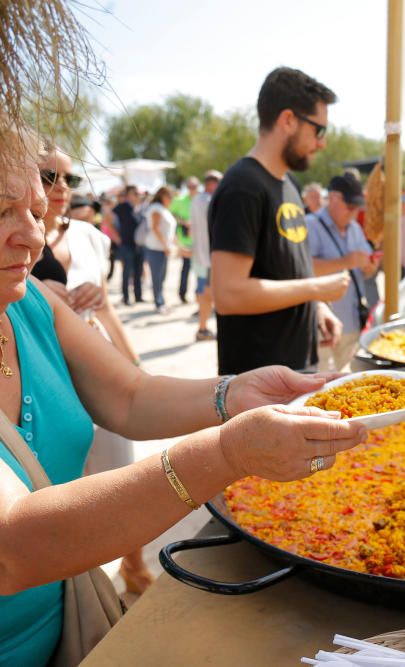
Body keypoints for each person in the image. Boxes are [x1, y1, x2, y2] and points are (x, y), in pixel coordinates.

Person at [0, 128, 370, 666]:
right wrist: (226, 453)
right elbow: (12, 547)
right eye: (3, 211)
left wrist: (233, 393)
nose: (32, 236)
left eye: (36, 212)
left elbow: (129, 395)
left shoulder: (29, 301)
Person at [30, 147, 156, 594]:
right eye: (49, 176)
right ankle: (73, 591)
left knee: (119, 470)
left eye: (70, 180)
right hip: (41, 370)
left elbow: (107, 306)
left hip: (94, 360)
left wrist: (131, 362)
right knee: (61, 486)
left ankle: (135, 568)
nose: (61, 188)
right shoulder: (17, 237)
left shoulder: (87, 235)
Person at [209, 67, 349, 374]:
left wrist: (316, 308)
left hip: (296, 368)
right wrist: (316, 289)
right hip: (256, 383)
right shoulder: (242, 187)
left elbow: (283, 269)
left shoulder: (288, 185)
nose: (322, 142)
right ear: (288, 120)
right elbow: (229, 294)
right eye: (319, 130)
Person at [306, 173, 380, 371]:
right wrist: (346, 262)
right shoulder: (310, 225)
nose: (354, 213)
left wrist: (369, 267)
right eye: (349, 207)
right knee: (318, 382)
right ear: (333, 198)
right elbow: (303, 268)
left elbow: (366, 272)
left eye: (357, 208)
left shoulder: (355, 228)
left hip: (352, 321)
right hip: (322, 325)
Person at [191, 169, 221, 342]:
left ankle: (202, 329)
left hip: (201, 256)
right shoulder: (209, 201)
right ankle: (202, 329)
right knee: (207, 296)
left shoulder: (197, 200)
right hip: (209, 258)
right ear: (212, 183)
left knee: (204, 294)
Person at [144, 185, 177, 314]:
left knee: (162, 277)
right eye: (170, 197)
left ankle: (161, 301)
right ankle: (159, 303)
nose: (171, 200)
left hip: (162, 249)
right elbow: (155, 228)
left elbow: (169, 231)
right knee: (157, 277)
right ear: (163, 196)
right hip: (156, 248)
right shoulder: (156, 209)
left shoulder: (163, 209)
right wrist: (166, 246)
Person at [112, 185, 144, 305]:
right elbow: (108, 219)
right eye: (131, 193)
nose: (133, 196)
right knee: (126, 272)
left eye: (135, 193)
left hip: (139, 245)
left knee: (138, 271)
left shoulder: (140, 207)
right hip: (126, 244)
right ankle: (126, 297)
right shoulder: (122, 207)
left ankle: (138, 296)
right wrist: (116, 238)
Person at [170, 176, 198, 304]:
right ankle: (182, 294)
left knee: (200, 272)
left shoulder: (202, 200)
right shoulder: (179, 200)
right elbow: (170, 214)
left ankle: (199, 297)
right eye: (190, 187)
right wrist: (183, 222)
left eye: (194, 187)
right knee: (186, 269)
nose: (192, 189)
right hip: (185, 241)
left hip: (199, 242)